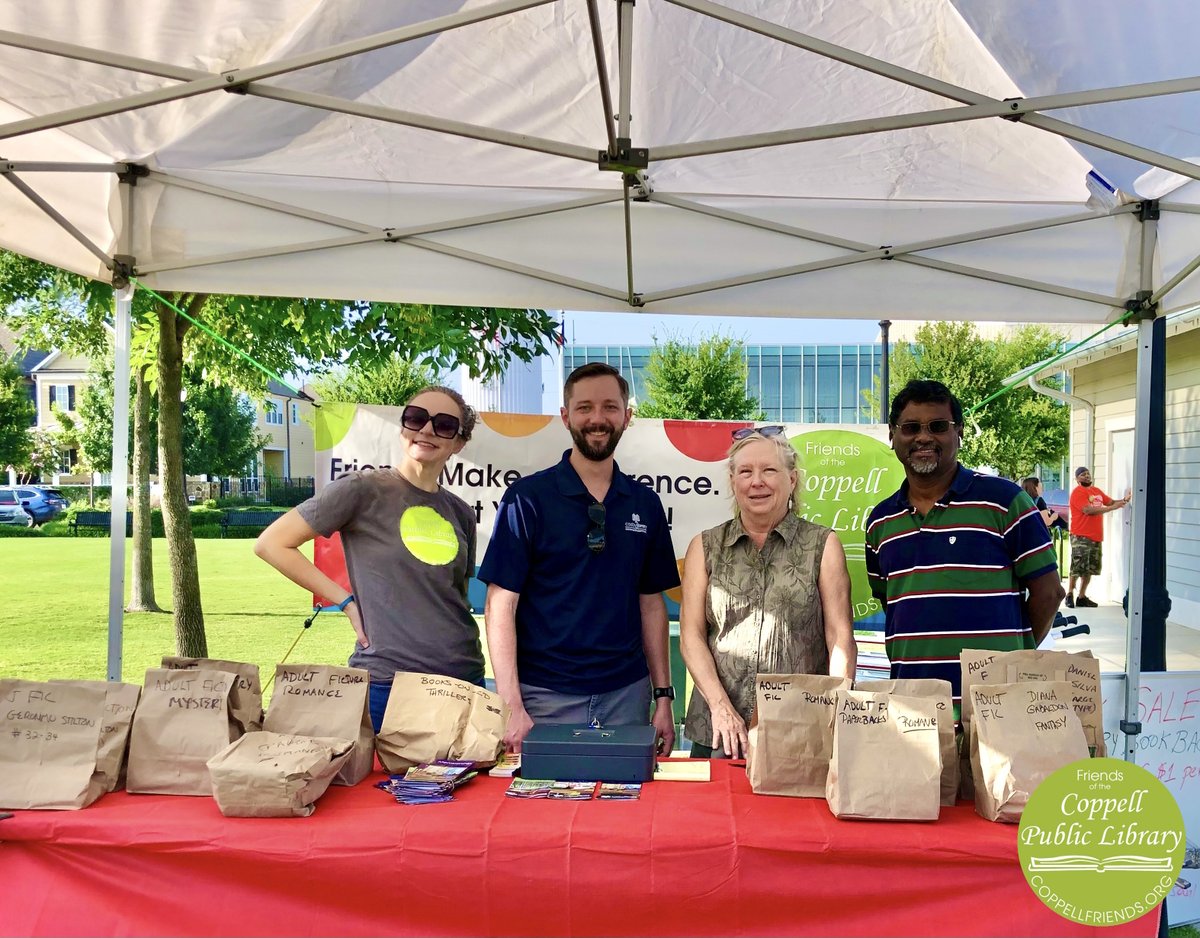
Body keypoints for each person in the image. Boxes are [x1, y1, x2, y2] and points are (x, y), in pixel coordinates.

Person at [478, 362, 680, 754]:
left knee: (624, 810)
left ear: (627, 416)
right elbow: (499, 604)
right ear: (566, 416)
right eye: (585, 407)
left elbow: (651, 605)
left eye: (610, 407)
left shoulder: (645, 503)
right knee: (542, 812)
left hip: (627, 696)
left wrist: (664, 697)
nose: (598, 419)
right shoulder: (527, 499)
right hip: (543, 698)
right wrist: (511, 704)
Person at [254, 386, 482, 732]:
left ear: (459, 443)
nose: (427, 430)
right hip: (386, 684)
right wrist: (345, 601)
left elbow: (455, 594)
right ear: (403, 427)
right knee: (383, 788)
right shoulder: (361, 489)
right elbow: (271, 544)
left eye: (445, 424)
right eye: (416, 419)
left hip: (463, 680)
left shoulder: (461, 512)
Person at [864, 380, 1064, 711]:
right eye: (911, 427)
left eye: (938, 426)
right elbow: (894, 605)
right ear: (893, 435)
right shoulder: (880, 522)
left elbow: (1050, 592)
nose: (924, 437)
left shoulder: (1005, 501)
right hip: (914, 710)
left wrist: (1016, 657)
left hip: (997, 710)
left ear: (958, 433)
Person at [679, 427, 857, 758]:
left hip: (801, 730)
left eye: (769, 470)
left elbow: (840, 637)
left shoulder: (822, 546)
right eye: (745, 471)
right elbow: (691, 636)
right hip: (720, 731)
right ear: (733, 480)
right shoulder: (705, 547)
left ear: (792, 479)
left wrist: (836, 711)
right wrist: (721, 708)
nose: (756, 481)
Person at [1066, 466, 1130, 608]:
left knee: (1089, 568)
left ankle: (1082, 597)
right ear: (1077, 479)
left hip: (1095, 536)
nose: (1086, 476)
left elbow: (1112, 502)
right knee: (1077, 566)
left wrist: (1124, 500)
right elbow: (1087, 510)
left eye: (1088, 473)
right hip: (1080, 535)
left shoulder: (1096, 492)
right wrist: (1110, 508)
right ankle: (1070, 594)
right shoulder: (1078, 493)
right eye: (1082, 474)